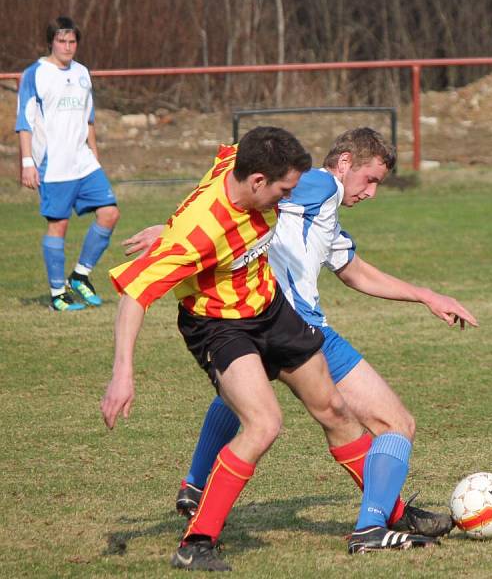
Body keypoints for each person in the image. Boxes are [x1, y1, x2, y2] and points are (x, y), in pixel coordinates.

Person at [101, 127, 439, 572]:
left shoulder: (242, 168)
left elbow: (233, 164)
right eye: (286, 190)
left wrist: (166, 224)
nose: (291, 197)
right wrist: (123, 373)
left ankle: (380, 524)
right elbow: (135, 295)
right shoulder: (199, 236)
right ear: (260, 183)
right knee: (263, 424)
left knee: (335, 410)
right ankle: (196, 542)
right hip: (221, 325)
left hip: (271, 308)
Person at [16, 16, 119, 311]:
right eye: (62, 41)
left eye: (72, 41)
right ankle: (57, 294)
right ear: (51, 42)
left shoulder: (83, 73)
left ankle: (80, 276)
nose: (67, 46)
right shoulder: (35, 74)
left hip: (84, 162)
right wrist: (27, 163)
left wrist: (94, 154)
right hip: (54, 165)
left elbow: (89, 120)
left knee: (110, 214)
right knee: (58, 225)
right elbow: (24, 122)